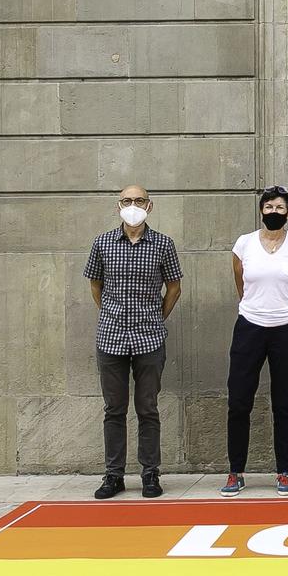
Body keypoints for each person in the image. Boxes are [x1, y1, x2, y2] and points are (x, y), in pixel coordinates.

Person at [83, 185, 182, 499]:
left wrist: (155, 316)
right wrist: (113, 314)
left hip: (149, 338)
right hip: (111, 338)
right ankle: (114, 475)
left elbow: (174, 287)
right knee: (114, 409)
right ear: (118, 206)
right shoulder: (103, 243)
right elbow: (95, 284)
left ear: (149, 206)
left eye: (139, 200)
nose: (133, 205)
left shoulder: (164, 244)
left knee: (148, 408)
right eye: (127, 200)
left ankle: (150, 473)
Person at [223, 186, 288, 497]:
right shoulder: (243, 244)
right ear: (261, 211)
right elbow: (241, 284)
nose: (274, 212)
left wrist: (283, 311)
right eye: (269, 207)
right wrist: (258, 309)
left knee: (283, 402)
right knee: (238, 401)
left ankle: (283, 472)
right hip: (250, 326)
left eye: (280, 207)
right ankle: (236, 471)